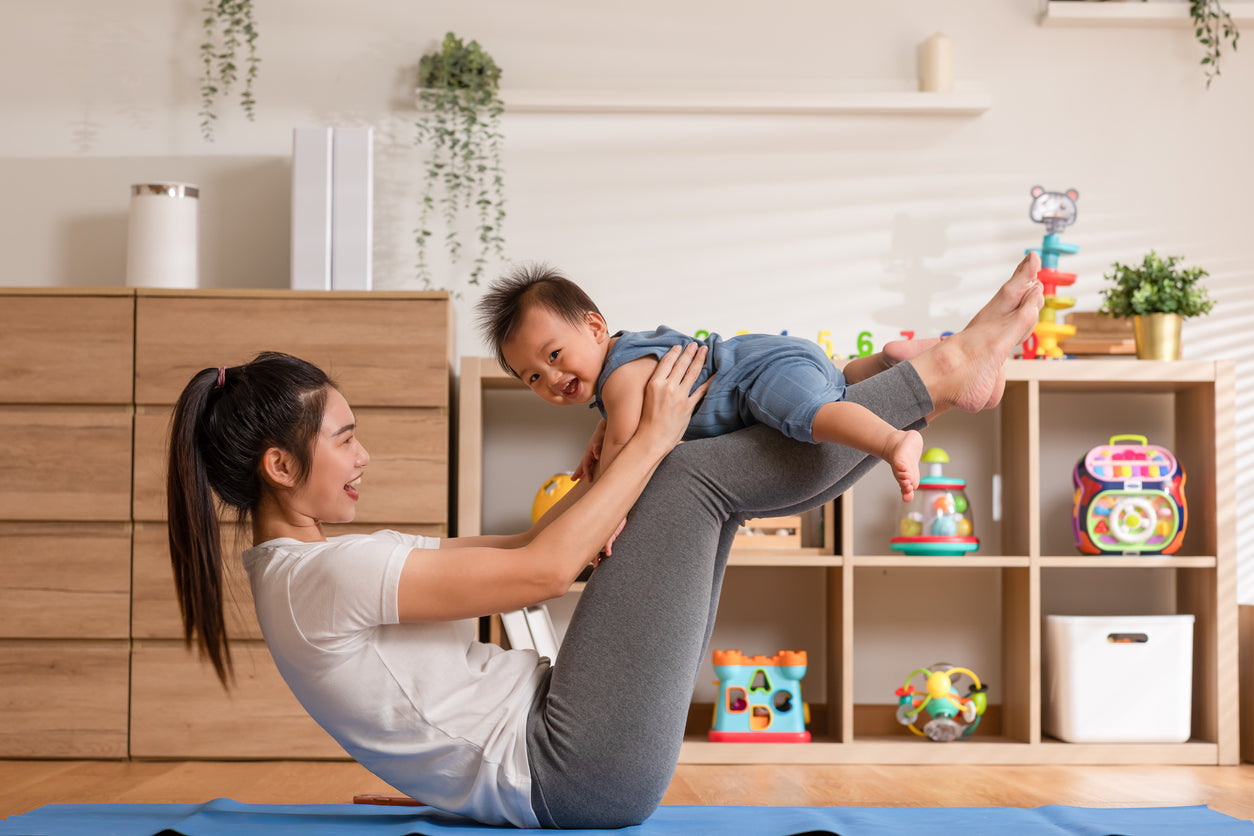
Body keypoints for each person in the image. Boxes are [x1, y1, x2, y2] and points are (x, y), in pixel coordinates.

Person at [165, 257, 1041, 829]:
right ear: (280, 465)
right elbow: (544, 573)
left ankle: (912, 383)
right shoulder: (326, 575)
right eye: (344, 438)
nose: (363, 456)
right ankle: (933, 378)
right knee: (688, 477)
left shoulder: (310, 571)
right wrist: (651, 438)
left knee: (690, 480)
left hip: (562, 747)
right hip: (574, 766)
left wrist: (603, 474)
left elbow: (538, 545)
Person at [478, 265, 975, 505]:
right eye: (535, 377)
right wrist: (600, 436)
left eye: (556, 356)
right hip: (773, 359)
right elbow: (621, 425)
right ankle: (891, 363)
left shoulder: (621, 376)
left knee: (811, 416)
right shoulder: (621, 367)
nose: (554, 379)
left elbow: (627, 454)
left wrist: (607, 514)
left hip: (757, 375)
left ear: (593, 328)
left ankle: (895, 440)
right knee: (838, 388)